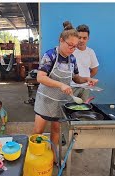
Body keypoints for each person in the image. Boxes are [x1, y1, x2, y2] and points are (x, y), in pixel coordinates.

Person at [33, 21, 98, 163]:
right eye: (70, 45)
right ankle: (35, 157)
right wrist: (60, 85)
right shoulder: (50, 55)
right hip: (46, 99)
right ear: (61, 40)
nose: (72, 49)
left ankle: (55, 157)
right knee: (38, 131)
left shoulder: (72, 58)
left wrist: (87, 79)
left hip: (61, 101)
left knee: (56, 131)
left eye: (75, 47)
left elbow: (76, 78)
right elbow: (40, 77)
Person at [71, 24, 99, 101]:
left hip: (85, 88)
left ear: (88, 38)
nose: (81, 40)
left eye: (84, 38)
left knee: (83, 110)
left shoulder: (90, 52)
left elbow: (94, 69)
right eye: (79, 37)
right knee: (69, 109)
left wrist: (86, 79)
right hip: (71, 87)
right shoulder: (70, 51)